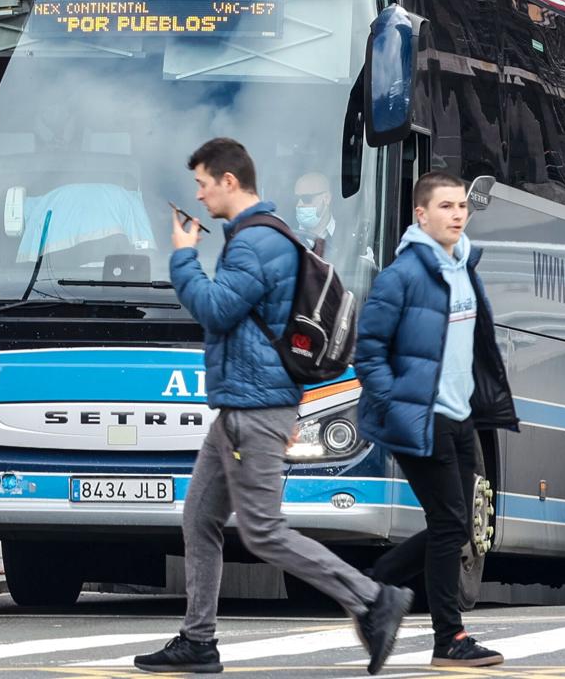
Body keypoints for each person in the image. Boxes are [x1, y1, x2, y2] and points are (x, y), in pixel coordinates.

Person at [134, 138, 412, 676]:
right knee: (200, 518)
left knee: (262, 529)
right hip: (244, 406)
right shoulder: (266, 237)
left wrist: (183, 256)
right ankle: (198, 641)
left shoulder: (254, 244)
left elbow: (216, 310)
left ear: (229, 181)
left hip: (253, 409)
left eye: (203, 183)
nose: (199, 193)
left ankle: (372, 598)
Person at [354, 171, 520, 668]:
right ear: (420, 215)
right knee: (450, 525)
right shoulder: (401, 276)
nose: (456, 215)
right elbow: (368, 353)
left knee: (457, 523)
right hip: (420, 418)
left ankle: (374, 587)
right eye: (445, 207)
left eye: (461, 207)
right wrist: (395, 406)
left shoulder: (465, 266)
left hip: (460, 416)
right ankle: (449, 638)